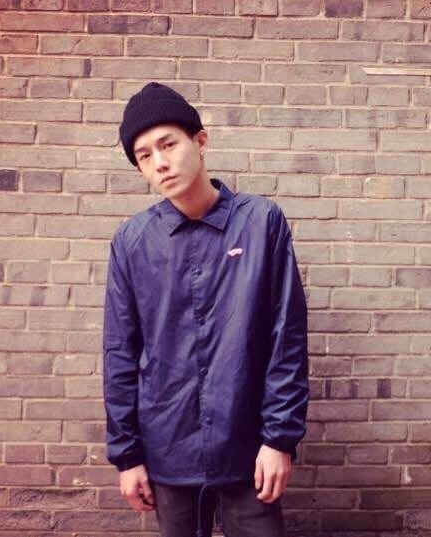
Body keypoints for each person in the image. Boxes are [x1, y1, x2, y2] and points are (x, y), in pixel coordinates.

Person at [102, 82, 309, 537]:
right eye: (144, 156)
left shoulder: (261, 223)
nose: (159, 162)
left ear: (200, 140)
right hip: (167, 454)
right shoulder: (133, 242)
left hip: (249, 451)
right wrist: (127, 456)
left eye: (168, 144)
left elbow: (286, 338)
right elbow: (120, 354)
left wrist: (279, 439)